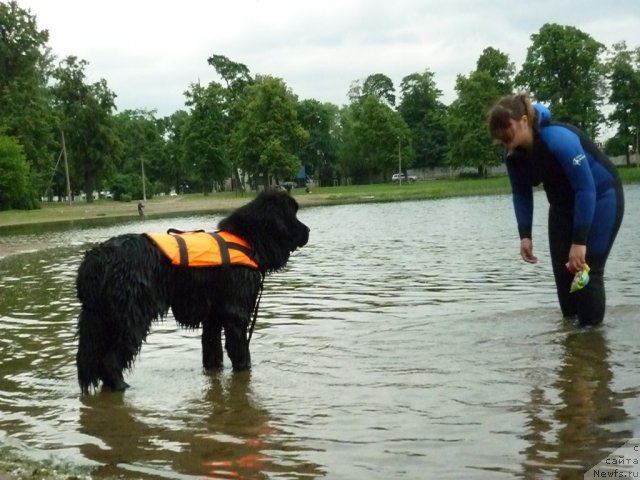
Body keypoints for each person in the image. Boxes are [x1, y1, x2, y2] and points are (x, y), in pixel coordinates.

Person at [487, 93, 624, 327]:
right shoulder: (514, 156)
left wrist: (579, 242)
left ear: (523, 120)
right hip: (562, 208)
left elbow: (585, 189)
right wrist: (525, 235)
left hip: (601, 199)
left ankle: (591, 343)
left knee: (586, 272)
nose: (502, 133)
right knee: (564, 275)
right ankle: (573, 342)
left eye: (506, 126)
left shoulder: (558, 139)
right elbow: (521, 193)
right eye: (497, 129)